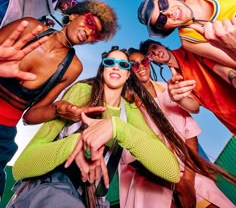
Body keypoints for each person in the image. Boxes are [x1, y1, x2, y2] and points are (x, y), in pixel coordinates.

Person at [8, 47, 236, 208]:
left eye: (123, 64)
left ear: (128, 74)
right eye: (109, 62)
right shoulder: (82, 93)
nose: (115, 67)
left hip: (93, 199)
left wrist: (117, 127)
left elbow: (171, 170)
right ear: (102, 69)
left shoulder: (129, 111)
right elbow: (21, 168)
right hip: (49, 187)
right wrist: (76, 143)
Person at [0, 0, 118, 199]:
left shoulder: (72, 67)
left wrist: (58, 110)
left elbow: (30, 116)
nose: (89, 33)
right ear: (74, 15)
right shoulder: (29, 27)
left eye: (95, 35)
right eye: (89, 23)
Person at [120, 47, 235, 207]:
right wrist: (178, 185)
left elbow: (191, 134)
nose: (140, 67)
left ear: (149, 63)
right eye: (133, 64)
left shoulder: (169, 89)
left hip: (189, 171)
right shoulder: (127, 105)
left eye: (144, 61)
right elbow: (132, 158)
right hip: (153, 182)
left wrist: (188, 180)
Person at [137, 0, 236, 68]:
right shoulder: (190, 40)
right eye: (162, 20)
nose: (169, 13)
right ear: (166, 28)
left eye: (163, 4)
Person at [139, 39, 236, 135]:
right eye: (151, 54)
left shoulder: (191, 49)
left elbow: (223, 69)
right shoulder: (177, 81)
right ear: (152, 61)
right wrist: (177, 99)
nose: (156, 52)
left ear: (162, 45)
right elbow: (195, 107)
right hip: (231, 121)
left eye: (155, 47)